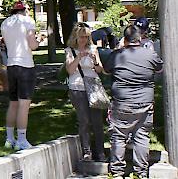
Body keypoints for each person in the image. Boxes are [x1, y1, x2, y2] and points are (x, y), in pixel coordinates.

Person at [104, 25, 163, 178]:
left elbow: (106, 69)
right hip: (144, 103)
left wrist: (119, 48)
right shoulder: (149, 54)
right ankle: (140, 173)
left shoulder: (117, 55)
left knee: (118, 137)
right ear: (140, 38)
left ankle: (117, 173)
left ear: (125, 39)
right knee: (142, 137)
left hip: (121, 103)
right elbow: (159, 69)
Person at [1, 1, 40, 150]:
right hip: (25, 65)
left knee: (13, 103)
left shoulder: (5, 23)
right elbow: (32, 45)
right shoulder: (28, 21)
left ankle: (9, 138)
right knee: (24, 104)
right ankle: (22, 140)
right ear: (24, 10)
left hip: (11, 65)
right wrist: (39, 41)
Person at [65, 23, 106, 162]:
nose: (84, 40)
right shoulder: (70, 50)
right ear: (76, 37)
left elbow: (100, 69)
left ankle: (100, 152)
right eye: (81, 37)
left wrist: (94, 60)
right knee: (84, 120)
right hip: (77, 87)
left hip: (93, 87)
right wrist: (78, 57)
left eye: (86, 37)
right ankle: (87, 151)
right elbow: (70, 70)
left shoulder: (93, 49)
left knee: (97, 121)